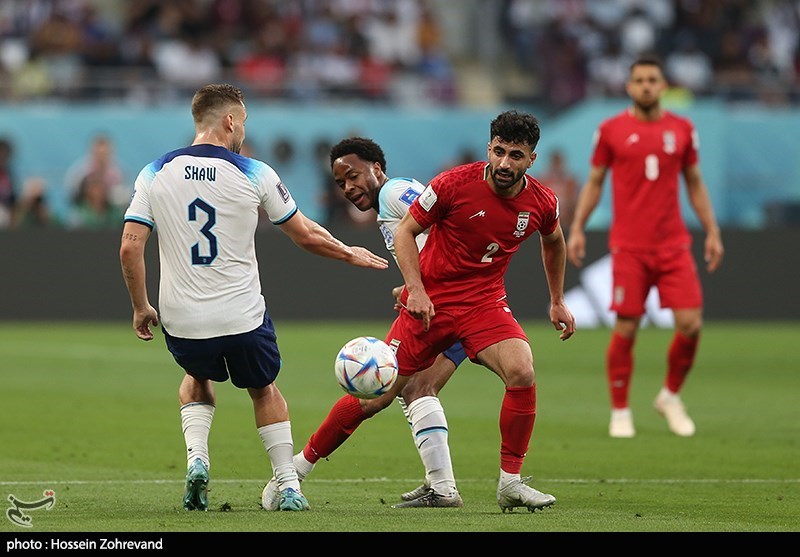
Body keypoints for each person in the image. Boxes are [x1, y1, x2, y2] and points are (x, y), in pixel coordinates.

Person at [266, 110, 576, 513]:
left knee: (521, 370)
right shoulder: (452, 184)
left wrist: (556, 299)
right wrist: (418, 286)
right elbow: (411, 230)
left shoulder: (536, 200)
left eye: (515, 156)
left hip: (482, 302)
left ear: (531, 159)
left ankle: (509, 483)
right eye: (499, 152)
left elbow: (553, 240)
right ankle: (297, 469)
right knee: (380, 395)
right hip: (431, 307)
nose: (504, 163)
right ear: (489, 149)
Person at [119, 83, 389, 513]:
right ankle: (288, 486)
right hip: (242, 316)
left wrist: (140, 305)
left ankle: (197, 460)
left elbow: (130, 247)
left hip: (182, 318)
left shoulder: (154, 172)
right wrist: (347, 252)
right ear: (230, 121)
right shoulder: (254, 171)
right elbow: (305, 233)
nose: (244, 130)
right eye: (243, 121)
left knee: (196, 379)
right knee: (264, 390)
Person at [276, 136, 468, 508]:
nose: (348, 187)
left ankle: (294, 471)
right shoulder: (388, 206)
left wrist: (424, 287)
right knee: (418, 389)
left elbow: (448, 221)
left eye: (353, 176)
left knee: (375, 392)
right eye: (340, 183)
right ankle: (442, 488)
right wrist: (414, 284)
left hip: (445, 304)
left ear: (377, 168)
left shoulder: (394, 192)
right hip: (454, 302)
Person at [566, 55, 724, 439]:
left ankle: (670, 396)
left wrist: (712, 230)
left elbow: (694, 182)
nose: (646, 86)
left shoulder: (682, 129)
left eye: (653, 79)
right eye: (639, 80)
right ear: (629, 87)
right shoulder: (611, 130)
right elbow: (595, 181)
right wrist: (578, 227)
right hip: (629, 247)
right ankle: (620, 410)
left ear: (664, 85)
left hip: (673, 244)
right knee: (626, 326)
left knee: (691, 324)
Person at [539, 149, 579, 230]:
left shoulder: (570, 182)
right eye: (555, 162)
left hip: (567, 217)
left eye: (558, 162)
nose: (556, 165)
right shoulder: (541, 181)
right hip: (547, 217)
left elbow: (576, 200)